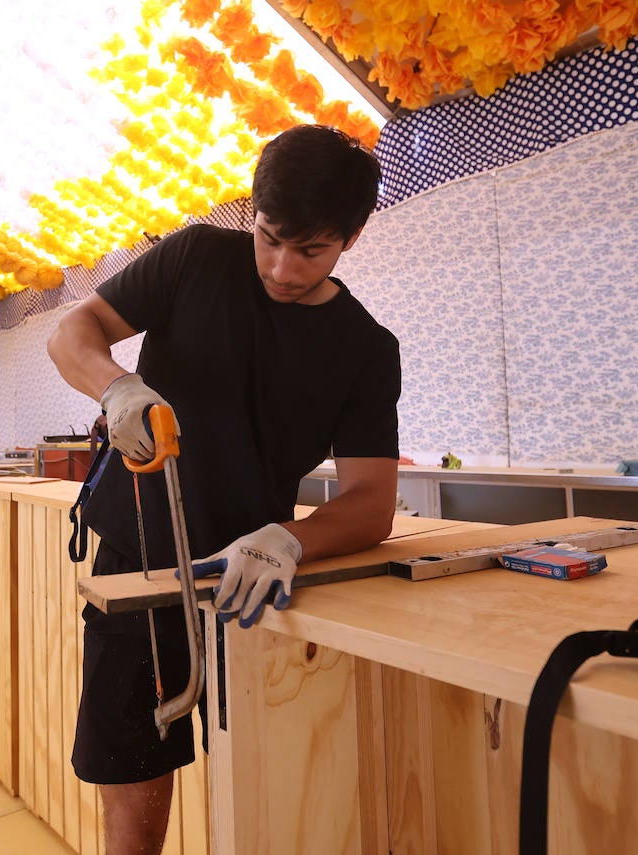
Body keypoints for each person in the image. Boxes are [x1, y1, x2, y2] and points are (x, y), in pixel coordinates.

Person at [46, 124, 401, 855]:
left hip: (248, 581)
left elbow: (372, 499)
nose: (281, 267)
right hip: (138, 568)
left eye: (310, 250)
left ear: (351, 240)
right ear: (253, 215)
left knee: (266, 794)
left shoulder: (365, 348)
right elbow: (72, 331)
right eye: (270, 237)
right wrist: (117, 388)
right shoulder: (195, 258)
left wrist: (292, 537)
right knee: (134, 807)